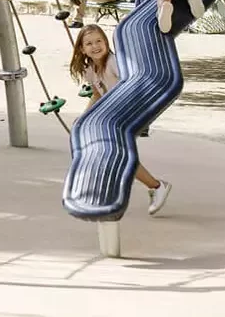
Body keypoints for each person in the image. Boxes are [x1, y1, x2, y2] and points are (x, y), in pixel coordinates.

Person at [70, 25, 174, 216]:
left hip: (131, 112)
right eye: (89, 43)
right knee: (114, 155)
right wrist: (84, 117)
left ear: (106, 42)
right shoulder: (90, 69)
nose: (95, 46)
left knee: (119, 156)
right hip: (115, 114)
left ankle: (157, 186)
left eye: (99, 41)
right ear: (82, 49)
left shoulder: (114, 62)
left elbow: (132, 85)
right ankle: (154, 186)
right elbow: (97, 95)